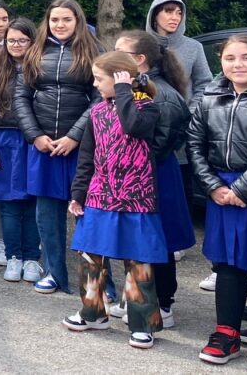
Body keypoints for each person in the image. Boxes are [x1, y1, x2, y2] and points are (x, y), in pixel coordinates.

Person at [63, 52, 165, 349]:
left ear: (121, 79)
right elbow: (86, 158)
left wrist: (124, 90)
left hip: (137, 199)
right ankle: (92, 313)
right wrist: (78, 193)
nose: (96, 85)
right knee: (90, 257)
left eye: (100, 79)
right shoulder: (96, 113)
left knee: (138, 261)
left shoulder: (148, 108)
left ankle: (142, 324)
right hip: (99, 196)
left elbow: (132, 125)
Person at [14, 0, 102, 295]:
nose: (60, 25)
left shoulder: (94, 51)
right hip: (43, 147)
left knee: (86, 214)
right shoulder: (34, 52)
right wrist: (35, 135)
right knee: (47, 216)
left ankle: (98, 282)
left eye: (66, 19)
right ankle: (54, 273)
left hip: (82, 147)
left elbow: (100, 99)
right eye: (55, 20)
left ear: (77, 20)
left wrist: (75, 136)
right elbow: (20, 98)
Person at [110, 29, 195, 327]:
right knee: (137, 238)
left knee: (161, 239)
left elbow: (159, 145)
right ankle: (135, 292)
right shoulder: (134, 86)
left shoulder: (165, 95)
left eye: (122, 53)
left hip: (156, 176)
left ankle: (163, 303)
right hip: (135, 175)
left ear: (140, 59)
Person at [188, 34, 247, 365]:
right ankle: (227, 333)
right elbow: (195, 144)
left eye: (246, 57)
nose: (237, 64)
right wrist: (213, 186)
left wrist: (244, 188)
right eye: (230, 58)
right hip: (221, 189)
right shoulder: (209, 96)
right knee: (229, 264)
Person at [0, 18, 43, 283]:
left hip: (34, 142)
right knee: (10, 203)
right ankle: (13, 256)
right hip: (3, 142)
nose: (16, 45)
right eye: (11, 40)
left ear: (32, 42)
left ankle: (32, 258)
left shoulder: (42, 71)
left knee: (33, 201)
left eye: (22, 40)